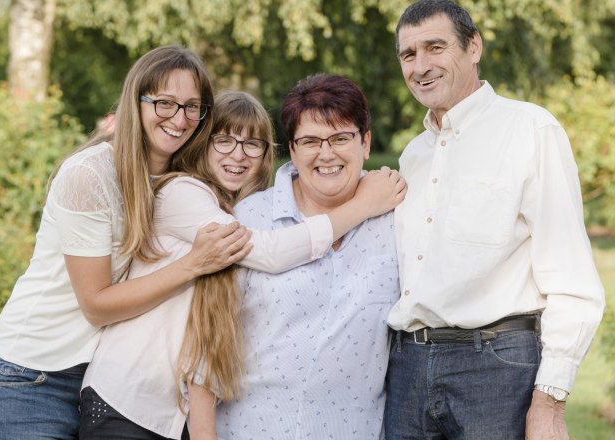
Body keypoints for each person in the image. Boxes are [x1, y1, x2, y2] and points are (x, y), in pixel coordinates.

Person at [78, 89, 404, 440]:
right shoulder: (185, 195)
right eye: (223, 140)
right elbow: (269, 252)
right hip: (131, 398)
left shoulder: (236, 209)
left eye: (252, 144)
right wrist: (364, 205)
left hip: (172, 415)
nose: (239, 154)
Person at [0, 46, 253, 440]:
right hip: (33, 379)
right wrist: (193, 262)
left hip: (99, 381)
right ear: (135, 100)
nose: (180, 118)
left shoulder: (176, 181)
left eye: (193, 106)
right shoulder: (89, 176)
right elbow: (96, 305)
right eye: (165, 103)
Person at [384, 1, 606, 439]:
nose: (421, 66)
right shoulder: (413, 155)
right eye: (409, 55)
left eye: (435, 47)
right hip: (409, 368)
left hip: (497, 369)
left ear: (474, 47)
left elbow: (571, 278)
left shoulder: (530, 131)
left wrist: (550, 402)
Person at [215, 74, 403, 439]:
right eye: (310, 141)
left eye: (340, 138)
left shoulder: (397, 222)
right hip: (249, 429)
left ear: (365, 143)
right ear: (293, 149)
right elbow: (206, 345)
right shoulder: (249, 219)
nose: (326, 153)